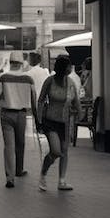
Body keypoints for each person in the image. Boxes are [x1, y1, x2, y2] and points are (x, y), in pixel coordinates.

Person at [37, 54, 80, 192]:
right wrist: (39, 119)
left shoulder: (71, 83)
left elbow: (76, 101)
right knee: (56, 151)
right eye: (68, 66)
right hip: (50, 121)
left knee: (65, 151)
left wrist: (78, 112)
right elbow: (41, 100)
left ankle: (62, 180)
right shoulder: (50, 81)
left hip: (65, 122)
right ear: (63, 68)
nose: (70, 68)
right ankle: (43, 173)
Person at [0, 50, 37, 188]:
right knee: (20, 143)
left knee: (8, 146)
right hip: (21, 114)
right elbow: (33, 100)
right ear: (21, 63)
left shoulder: (3, 77)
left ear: (10, 62)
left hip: (6, 114)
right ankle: (19, 170)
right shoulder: (28, 79)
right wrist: (37, 118)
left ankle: (10, 178)